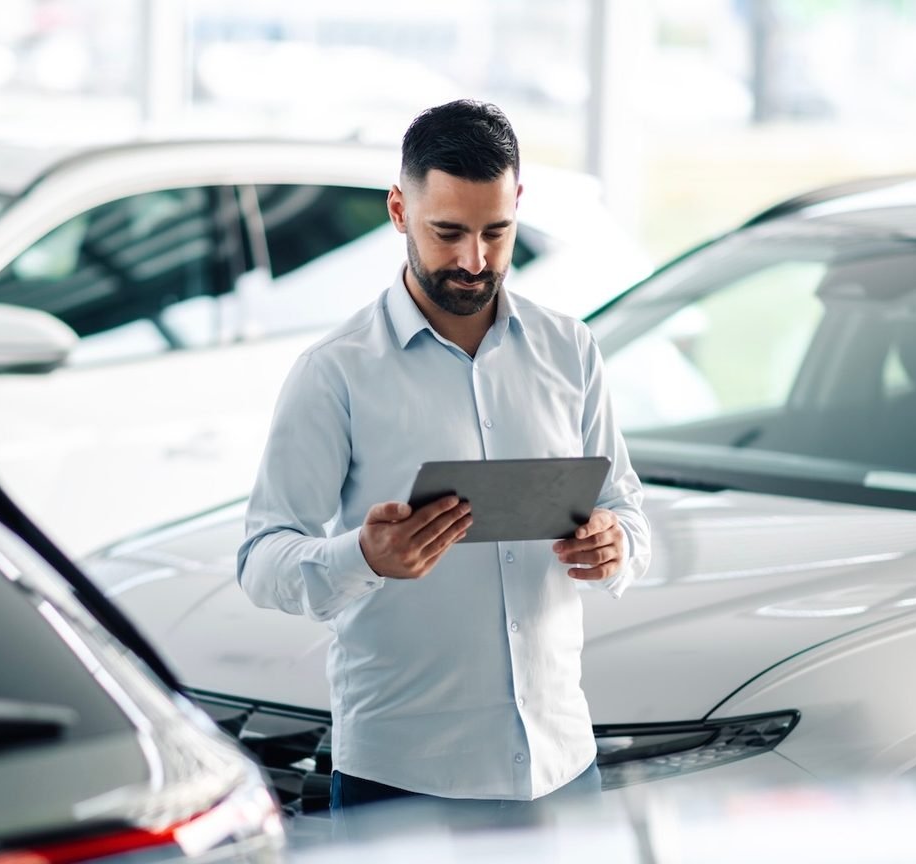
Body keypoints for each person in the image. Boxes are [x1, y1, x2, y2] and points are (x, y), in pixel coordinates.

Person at [236, 99, 650, 824]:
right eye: (448, 232)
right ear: (399, 210)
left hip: (560, 766)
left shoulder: (570, 350)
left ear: (518, 205)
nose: (474, 261)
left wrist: (616, 547)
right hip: (404, 781)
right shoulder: (335, 372)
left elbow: (626, 511)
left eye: (496, 232)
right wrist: (362, 557)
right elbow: (260, 558)